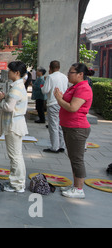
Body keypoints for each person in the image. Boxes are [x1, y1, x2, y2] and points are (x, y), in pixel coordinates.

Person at [54, 63, 94, 199]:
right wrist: (60, 97)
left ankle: (79, 189)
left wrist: (59, 99)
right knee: (73, 158)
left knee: (77, 159)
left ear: (80, 74)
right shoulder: (75, 87)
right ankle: (75, 185)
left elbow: (72, 108)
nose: (68, 75)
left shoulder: (83, 88)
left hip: (77, 128)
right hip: (69, 126)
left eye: (71, 72)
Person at [0, 61, 28, 193]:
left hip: (14, 125)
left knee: (15, 156)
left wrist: (1, 99)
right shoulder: (18, 86)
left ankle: (17, 184)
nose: (8, 72)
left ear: (17, 73)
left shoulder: (16, 88)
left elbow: (8, 107)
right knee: (17, 155)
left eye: (10, 70)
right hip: (16, 123)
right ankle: (18, 181)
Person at [41, 60, 69, 153]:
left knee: (53, 125)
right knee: (60, 125)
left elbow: (45, 90)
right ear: (59, 67)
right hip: (62, 103)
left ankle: (54, 146)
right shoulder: (64, 77)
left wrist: (42, 86)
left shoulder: (50, 77)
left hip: (53, 102)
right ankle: (62, 145)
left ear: (50, 67)